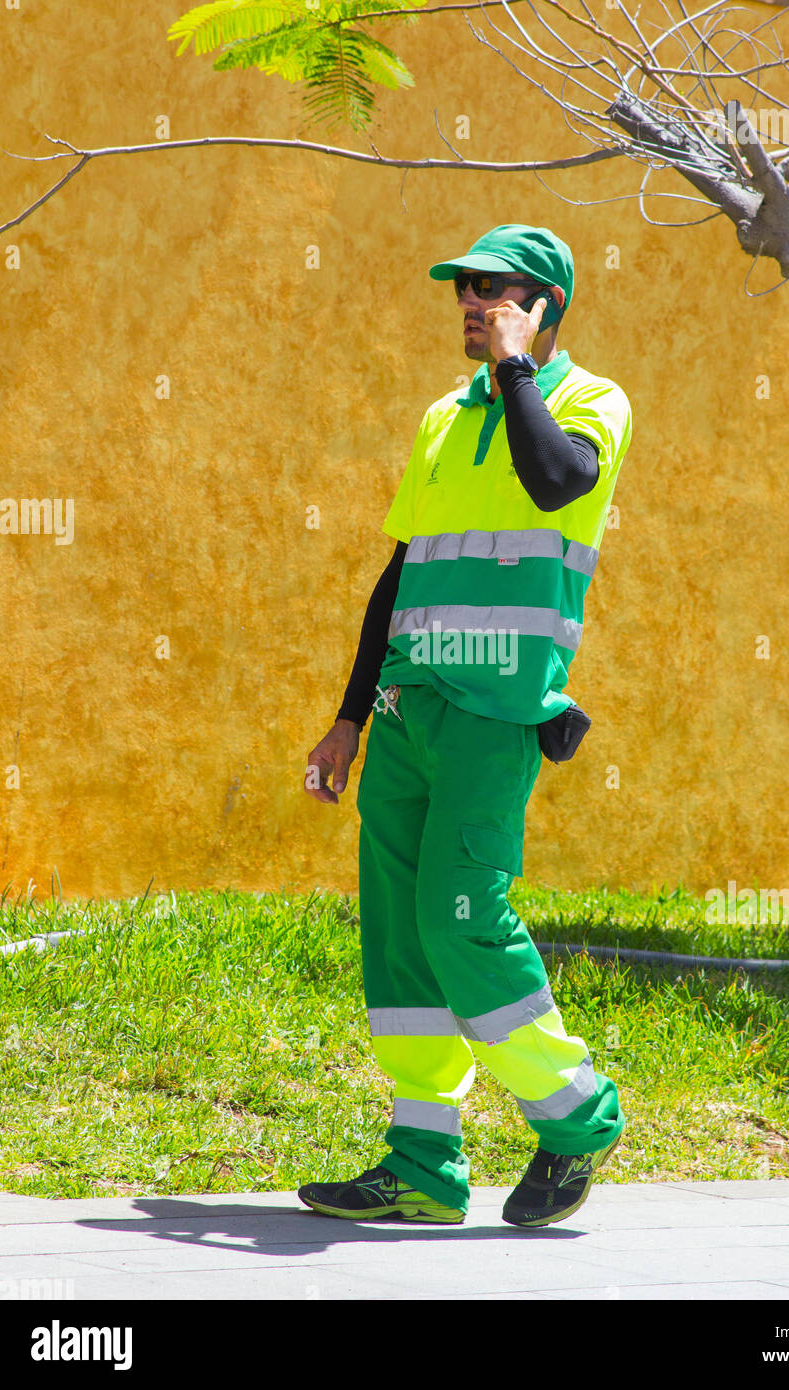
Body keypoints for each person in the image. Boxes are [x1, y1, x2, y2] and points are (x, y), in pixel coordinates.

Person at [300, 224, 633, 1227]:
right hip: (409, 710)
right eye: (464, 289)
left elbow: (558, 480)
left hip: (497, 713)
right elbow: (399, 574)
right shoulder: (443, 415)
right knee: (403, 937)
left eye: (495, 290)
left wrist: (519, 368)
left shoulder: (589, 400)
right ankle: (424, 1163)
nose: (472, 303)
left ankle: (578, 1115)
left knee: (462, 920)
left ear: (546, 307)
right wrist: (349, 718)